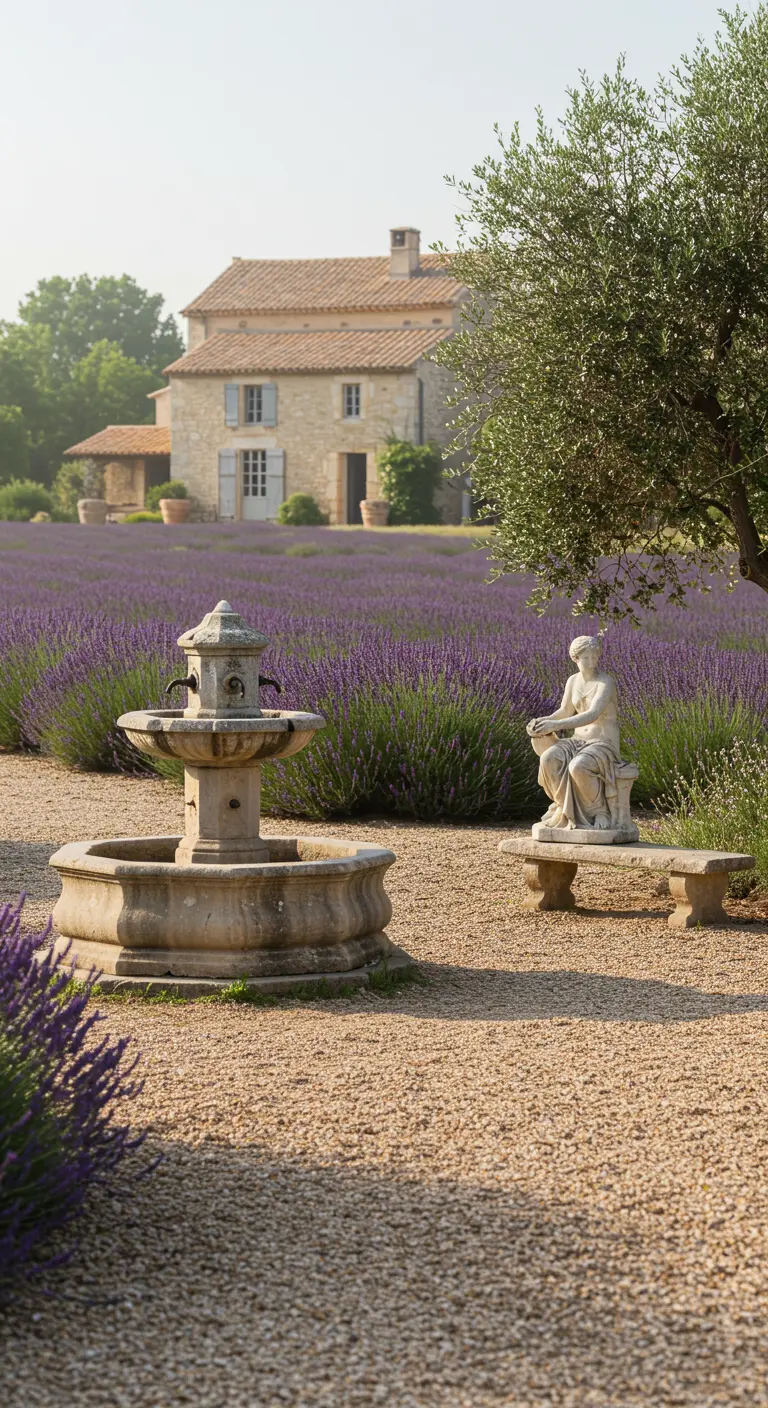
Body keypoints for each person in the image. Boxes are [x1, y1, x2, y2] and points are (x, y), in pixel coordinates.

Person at [527, 635, 628, 832]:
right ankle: (562, 806)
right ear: (575, 658)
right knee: (548, 758)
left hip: (602, 742)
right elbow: (564, 711)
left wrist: (554, 726)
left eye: (594, 657)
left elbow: (592, 714)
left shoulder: (605, 682)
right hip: (577, 740)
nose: (591, 662)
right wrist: (542, 722)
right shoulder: (573, 681)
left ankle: (600, 811)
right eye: (586, 658)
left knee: (578, 766)